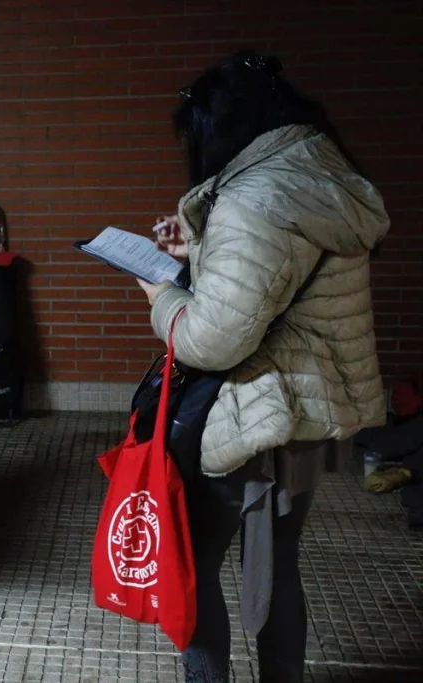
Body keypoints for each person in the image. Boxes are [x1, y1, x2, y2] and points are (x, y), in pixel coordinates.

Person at [137, 51, 389, 682]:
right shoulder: (316, 169)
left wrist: (159, 292)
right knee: (277, 562)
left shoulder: (257, 195)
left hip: (255, 417)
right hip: (306, 415)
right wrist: (195, 246)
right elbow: (276, 277)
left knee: (191, 565)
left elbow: (214, 339)